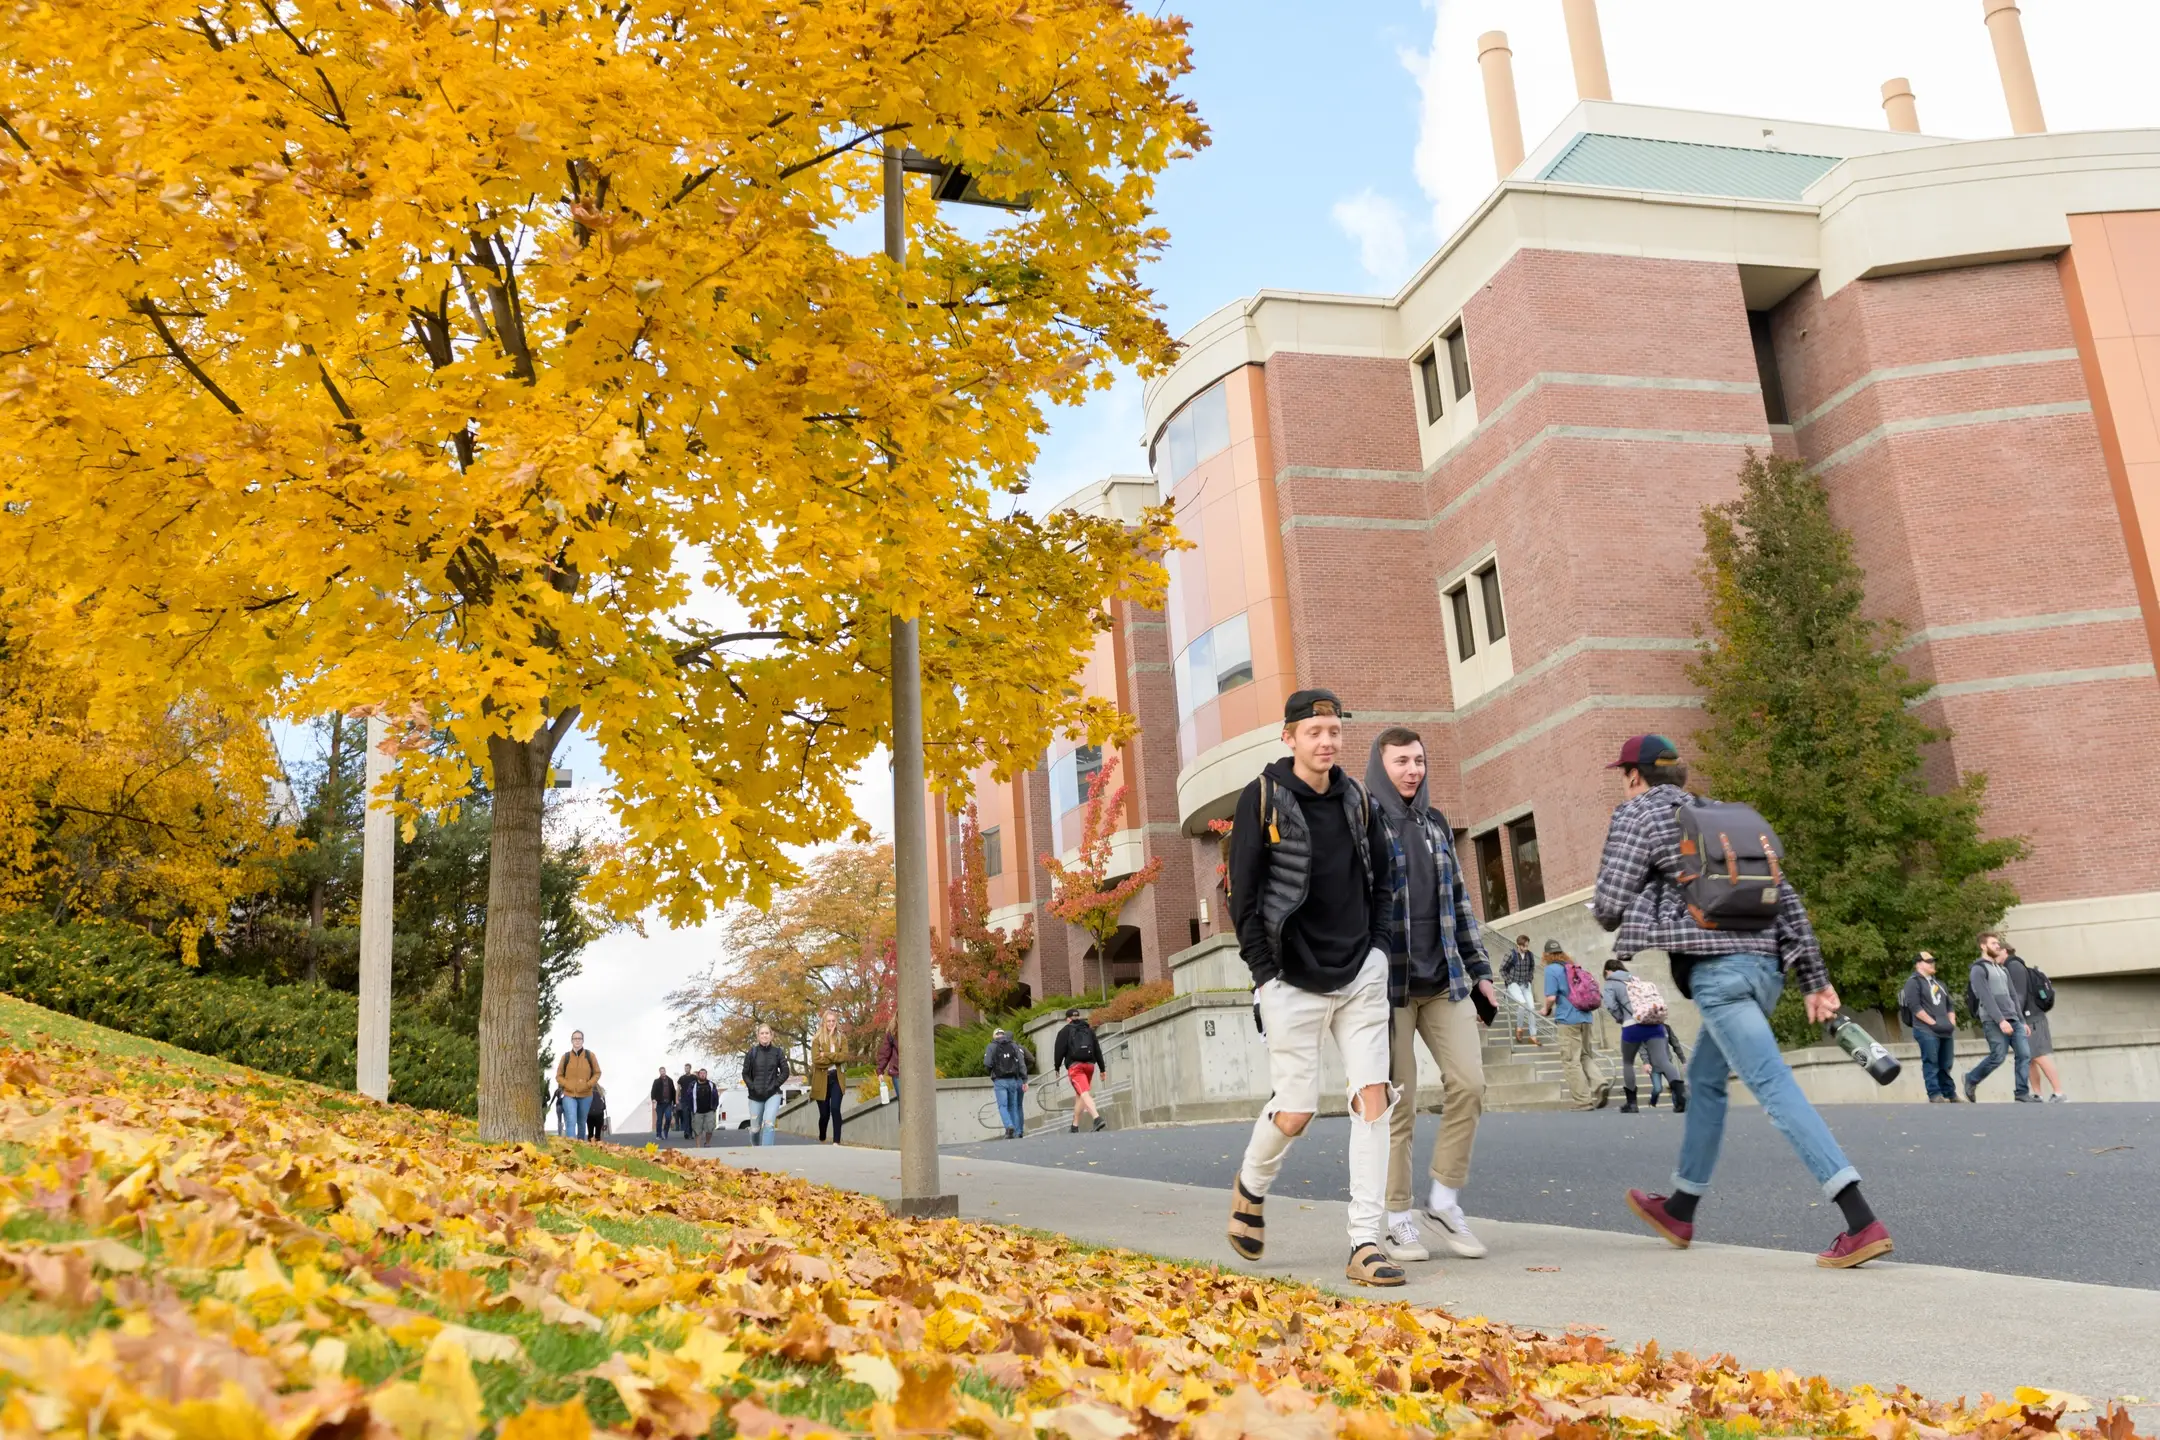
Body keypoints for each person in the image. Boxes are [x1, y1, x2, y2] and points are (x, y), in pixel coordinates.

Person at [1595, 735, 1892, 1269]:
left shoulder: (1637, 814)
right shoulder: (1722, 818)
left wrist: (1634, 902)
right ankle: (1681, 1207)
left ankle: (1860, 1219)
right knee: (1707, 1080)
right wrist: (1813, 980)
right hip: (1764, 969)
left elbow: (1609, 904)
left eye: (1624, 774)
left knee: (1774, 1087)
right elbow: (1788, 898)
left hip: (1718, 977)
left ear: (1634, 775)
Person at [1224, 689, 1403, 1288]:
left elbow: (1384, 878)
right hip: (1290, 978)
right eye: (1314, 730)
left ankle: (1364, 1241)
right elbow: (1242, 896)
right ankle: (1251, 1184)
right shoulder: (1263, 798)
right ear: (1290, 737)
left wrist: (1378, 947)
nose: (1326, 740)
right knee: (1296, 1111)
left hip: (1360, 974)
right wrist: (1263, 973)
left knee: (1372, 1099)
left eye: (1333, 729)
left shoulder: (1357, 799)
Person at [1363, 727, 1493, 1264]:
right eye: (1401, 762)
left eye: (1418, 761)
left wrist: (1481, 969)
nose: (1412, 770)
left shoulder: (1435, 823)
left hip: (1444, 980)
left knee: (1470, 1083)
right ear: (1380, 766)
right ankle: (1396, 1218)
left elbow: (1460, 902)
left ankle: (1442, 1198)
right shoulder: (1364, 822)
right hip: (1390, 988)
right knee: (1400, 1105)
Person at [1602, 957, 1685, 1114]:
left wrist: (1621, 1018)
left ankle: (1632, 1103)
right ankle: (1681, 1098)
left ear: (1607, 971)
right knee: (1664, 1061)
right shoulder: (1636, 980)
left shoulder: (1611, 983)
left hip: (1632, 1026)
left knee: (1628, 1062)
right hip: (1654, 1024)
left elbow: (1610, 1005)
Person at [1964, 933, 2034, 1103]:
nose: (1998, 946)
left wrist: (2021, 1021)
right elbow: (1985, 997)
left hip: (2014, 1019)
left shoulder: (2002, 969)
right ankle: (1971, 1078)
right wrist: (2000, 1020)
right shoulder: (1978, 969)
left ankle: (2021, 1093)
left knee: (2024, 1055)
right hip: (1993, 1020)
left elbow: (2013, 996)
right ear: (1983, 946)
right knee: (1998, 1056)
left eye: (1998, 943)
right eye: (1993, 943)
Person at [1541, 941, 1609, 1110]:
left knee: (1571, 1060)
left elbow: (1550, 998)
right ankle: (1599, 1083)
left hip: (1567, 1019)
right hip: (1586, 1017)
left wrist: (1545, 1010)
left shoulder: (1551, 969)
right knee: (1585, 1055)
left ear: (1547, 955)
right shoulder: (1572, 967)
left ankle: (1583, 1101)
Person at [2005, 945, 2067, 1102]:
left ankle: (2059, 1092)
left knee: (2039, 1055)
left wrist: (2016, 1017)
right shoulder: (2015, 966)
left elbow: (2020, 995)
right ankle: (2038, 1094)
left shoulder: (2014, 967)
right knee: (2030, 1058)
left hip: (2031, 1018)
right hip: (2030, 1017)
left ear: (2005, 952)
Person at [1898, 953, 1959, 1103]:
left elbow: (1949, 1005)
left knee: (1946, 1063)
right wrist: (1932, 1023)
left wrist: (1951, 1022)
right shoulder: (1913, 983)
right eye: (1928, 961)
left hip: (1945, 1030)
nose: (1932, 964)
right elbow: (1915, 1007)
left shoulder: (1940, 984)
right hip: (1926, 1030)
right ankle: (1934, 1094)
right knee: (1931, 1062)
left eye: (1933, 961)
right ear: (1918, 964)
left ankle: (1950, 1093)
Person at [1052, 1008, 1108, 1133]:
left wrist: (1057, 1067)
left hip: (1075, 1067)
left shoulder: (1065, 1031)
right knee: (1080, 1095)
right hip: (1089, 1066)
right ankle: (1074, 1125)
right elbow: (1097, 1049)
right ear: (1079, 1017)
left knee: (1084, 1093)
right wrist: (1102, 1069)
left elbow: (1059, 1051)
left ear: (1068, 1019)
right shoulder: (1088, 1029)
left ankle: (1097, 1118)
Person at [743, 1023, 792, 1145]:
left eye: (767, 1033)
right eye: (762, 1033)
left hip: (773, 1094)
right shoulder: (752, 1053)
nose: (764, 1036)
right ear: (758, 1036)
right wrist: (752, 1087)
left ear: (771, 1036)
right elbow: (745, 1074)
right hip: (755, 1096)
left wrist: (776, 1084)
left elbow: (785, 1071)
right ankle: (756, 1148)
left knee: (768, 1124)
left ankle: (766, 1156)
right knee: (755, 1129)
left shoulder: (778, 1052)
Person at [985, 1027, 1031, 1139]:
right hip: (1013, 1080)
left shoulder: (991, 1046)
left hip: (999, 1080)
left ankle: (1009, 1125)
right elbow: (1021, 1063)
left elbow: (987, 1063)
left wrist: (992, 1072)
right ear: (1004, 1035)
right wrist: (1024, 1079)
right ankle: (1017, 1131)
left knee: (1002, 1106)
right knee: (1014, 1106)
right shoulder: (1014, 1045)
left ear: (995, 1036)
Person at [810, 1011, 848, 1143]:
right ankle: (822, 1136)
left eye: (833, 1021)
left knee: (835, 1109)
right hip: (822, 1079)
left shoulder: (841, 1038)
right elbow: (816, 1060)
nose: (831, 1023)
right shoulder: (817, 1039)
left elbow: (844, 1057)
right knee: (824, 1115)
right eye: (828, 1021)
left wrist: (825, 1054)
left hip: (837, 1078)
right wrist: (834, 1058)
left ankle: (837, 1141)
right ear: (824, 1023)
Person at [555, 1031, 601, 1140]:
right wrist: (567, 1085)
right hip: (569, 1094)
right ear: (571, 1041)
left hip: (586, 1095)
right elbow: (558, 1076)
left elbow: (597, 1073)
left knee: (581, 1122)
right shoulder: (565, 1057)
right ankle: (571, 1147)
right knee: (571, 1119)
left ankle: (581, 1144)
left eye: (579, 1038)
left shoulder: (590, 1056)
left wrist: (588, 1085)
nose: (577, 1040)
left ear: (583, 1041)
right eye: (575, 1038)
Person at [1499, 934, 1540, 1045]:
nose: (1526, 948)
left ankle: (1533, 1035)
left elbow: (1532, 968)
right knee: (1522, 1003)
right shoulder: (1511, 954)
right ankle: (1519, 1028)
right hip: (1514, 984)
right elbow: (1502, 969)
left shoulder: (1529, 955)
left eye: (1527, 946)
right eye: (1524, 946)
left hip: (1525, 984)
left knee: (1531, 1008)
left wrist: (1529, 979)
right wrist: (1509, 981)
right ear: (1519, 945)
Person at [687, 1067, 719, 1145]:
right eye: (701, 1073)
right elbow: (688, 1097)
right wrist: (691, 1109)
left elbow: (716, 1097)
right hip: (697, 1112)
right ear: (698, 1075)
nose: (702, 1075)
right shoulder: (693, 1085)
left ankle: (707, 1143)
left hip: (709, 1111)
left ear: (706, 1075)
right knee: (697, 1131)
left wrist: (714, 1107)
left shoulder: (711, 1085)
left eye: (704, 1073)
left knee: (709, 1129)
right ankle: (698, 1147)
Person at [650, 1066, 678, 1137]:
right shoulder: (656, 1081)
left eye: (663, 1071)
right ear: (659, 1072)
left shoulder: (670, 1080)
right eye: (661, 1071)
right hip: (660, 1103)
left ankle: (665, 1131)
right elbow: (653, 1091)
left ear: (665, 1071)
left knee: (668, 1117)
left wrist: (674, 1102)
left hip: (668, 1103)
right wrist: (653, 1098)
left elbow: (673, 1091)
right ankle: (658, 1134)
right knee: (659, 1119)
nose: (663, 1072)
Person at [875, 1027, 900, 1105]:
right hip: (897, 1071)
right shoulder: (893, 1031)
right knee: (903, 1103)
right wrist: (880, 1071)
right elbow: (886, 1051)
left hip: (914, 1072)